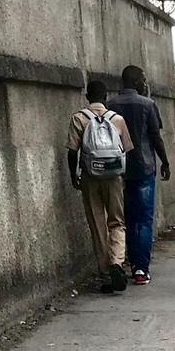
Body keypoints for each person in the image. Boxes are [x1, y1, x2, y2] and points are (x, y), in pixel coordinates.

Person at [66, 81, 134, 294]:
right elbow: (127, 150)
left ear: (87, 96)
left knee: (97, 224)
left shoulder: (79, 118)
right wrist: (122, 175)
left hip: (90, 177)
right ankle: (117, 262)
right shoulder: (118, 120)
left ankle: (105, 275)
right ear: (106, 96)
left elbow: (71, 151)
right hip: (114, 176)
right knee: (117, 221)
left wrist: (73, 175)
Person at [108, 65, 171, 285]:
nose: (146, 84)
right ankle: (140, 268)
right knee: (143, 219)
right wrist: (165, 162)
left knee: (125, 218)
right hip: (144, 167)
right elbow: (155, 136)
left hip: (118, 170)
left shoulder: (110, 105)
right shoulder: (148, 104)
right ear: (136, 82)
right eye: (143, 80)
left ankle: (126, 260)